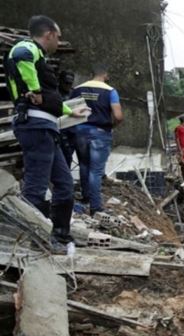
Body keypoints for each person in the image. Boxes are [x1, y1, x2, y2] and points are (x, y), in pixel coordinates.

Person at [6, 15, 89, 252]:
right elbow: (20, 57)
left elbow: (51, 101)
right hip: (35, 127)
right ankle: (31, 239)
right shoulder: (27, 48)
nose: (59, 42)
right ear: (49, 34)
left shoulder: (39, 57)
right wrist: (33, 89)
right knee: (36, 186)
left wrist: (71, 112)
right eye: (58, 37)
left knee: (64, 185)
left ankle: (60, 235)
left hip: (46, 129)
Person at [71, 64, 123, 215]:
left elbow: (69, 111)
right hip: (100, 132)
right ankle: (95, 207)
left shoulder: (77, 89)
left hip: (80, 131)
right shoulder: (110, 91)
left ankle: (86, 197)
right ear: (105, 75)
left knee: (84, 165)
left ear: (91, 74)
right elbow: (118, 116)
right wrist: (111, 126)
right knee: (96, 170)